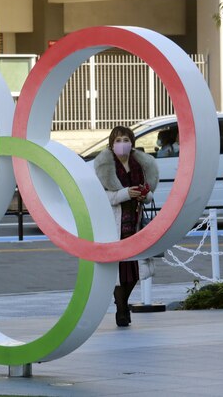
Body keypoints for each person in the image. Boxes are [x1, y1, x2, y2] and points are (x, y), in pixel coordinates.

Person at [94, 126, 159, 327]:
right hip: (114, 222)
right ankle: (122, 309)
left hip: (136, 221)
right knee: (119, 270)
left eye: (126, 139)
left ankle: (122, 301)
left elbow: (150, 193)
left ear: (132, 141)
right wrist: (125, 194)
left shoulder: (140, 163)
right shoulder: (104, 165)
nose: (122, 143)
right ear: (112, 143)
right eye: (118, 139)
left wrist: (144, 194)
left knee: (134, 269)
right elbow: (100, 196)